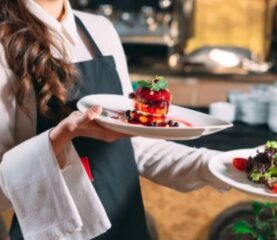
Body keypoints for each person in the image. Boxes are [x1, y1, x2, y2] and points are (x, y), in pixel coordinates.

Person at [0, 0, 229, 239]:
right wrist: (62, 136)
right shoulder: (3, 44)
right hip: (58, 232)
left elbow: (134, 145)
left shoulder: (100, 30)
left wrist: (219, 165)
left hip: (125, 225)